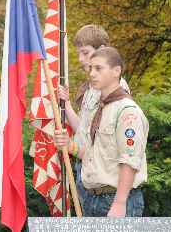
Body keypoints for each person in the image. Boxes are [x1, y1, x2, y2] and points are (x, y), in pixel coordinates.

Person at [54, 47, 148, 217]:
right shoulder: (100, 109)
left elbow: (130, 160)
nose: (92, 73)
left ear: (116, 71)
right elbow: (93, 154)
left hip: (116, 200)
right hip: (93, 199)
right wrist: (69, 145)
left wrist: (120, 203)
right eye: (90, 68)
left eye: (98, 68)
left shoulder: (127, 112)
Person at [57, 25, 130, 206]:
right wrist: (66, 104)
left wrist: (71, 147)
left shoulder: (115, 90)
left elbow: (108, 147)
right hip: (88, 178)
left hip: (108, 188)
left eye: (85, 53)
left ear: (103, 50)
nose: (81, 59)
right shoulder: (92, 88)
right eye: (79, 54)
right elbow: (83, 129)